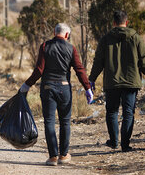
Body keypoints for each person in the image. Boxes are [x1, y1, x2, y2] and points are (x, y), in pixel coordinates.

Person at [19, 23, 93, 166]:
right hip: (64, 88)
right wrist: (87, 88)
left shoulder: (45, 46)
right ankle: (63, 155)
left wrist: (26, 85)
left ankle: (53, 157)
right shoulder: (71, 48)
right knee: (65, 122)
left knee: (49, 121)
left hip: (48, 88)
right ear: (66, 35)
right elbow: (79, 69)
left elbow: (39, 70)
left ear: (54, 32)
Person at [88, 10, 145, 152]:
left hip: (112, 83)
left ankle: (114, 142)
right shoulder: (136, 38)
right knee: (128, 113)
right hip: (131, 82)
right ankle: (125, 145)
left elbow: (98, 62)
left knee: (112, 112)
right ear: (126, 22)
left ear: (114, 23)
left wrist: (91, 79)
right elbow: (144, 60)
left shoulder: (105, 39)